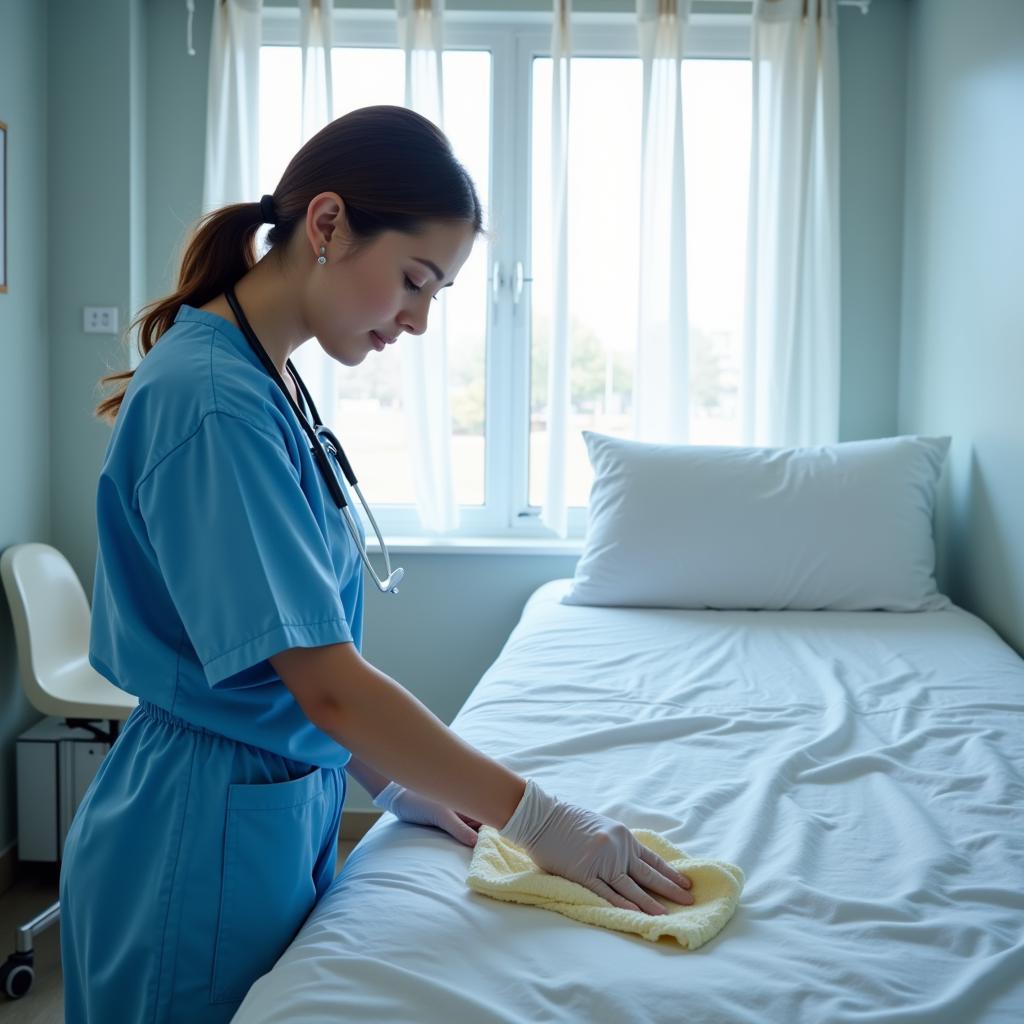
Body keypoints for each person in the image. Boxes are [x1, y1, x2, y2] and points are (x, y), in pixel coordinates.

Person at [60, 104, 693, 1024]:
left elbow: (291, 670)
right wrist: (543, 821)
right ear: (327, 226)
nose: (421, 320)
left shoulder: (264, 377)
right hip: (194, 833)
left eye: (435, 293)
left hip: (263, 807)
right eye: (414, 279)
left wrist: (397, 785)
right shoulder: (215, 401)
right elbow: (329, 687)